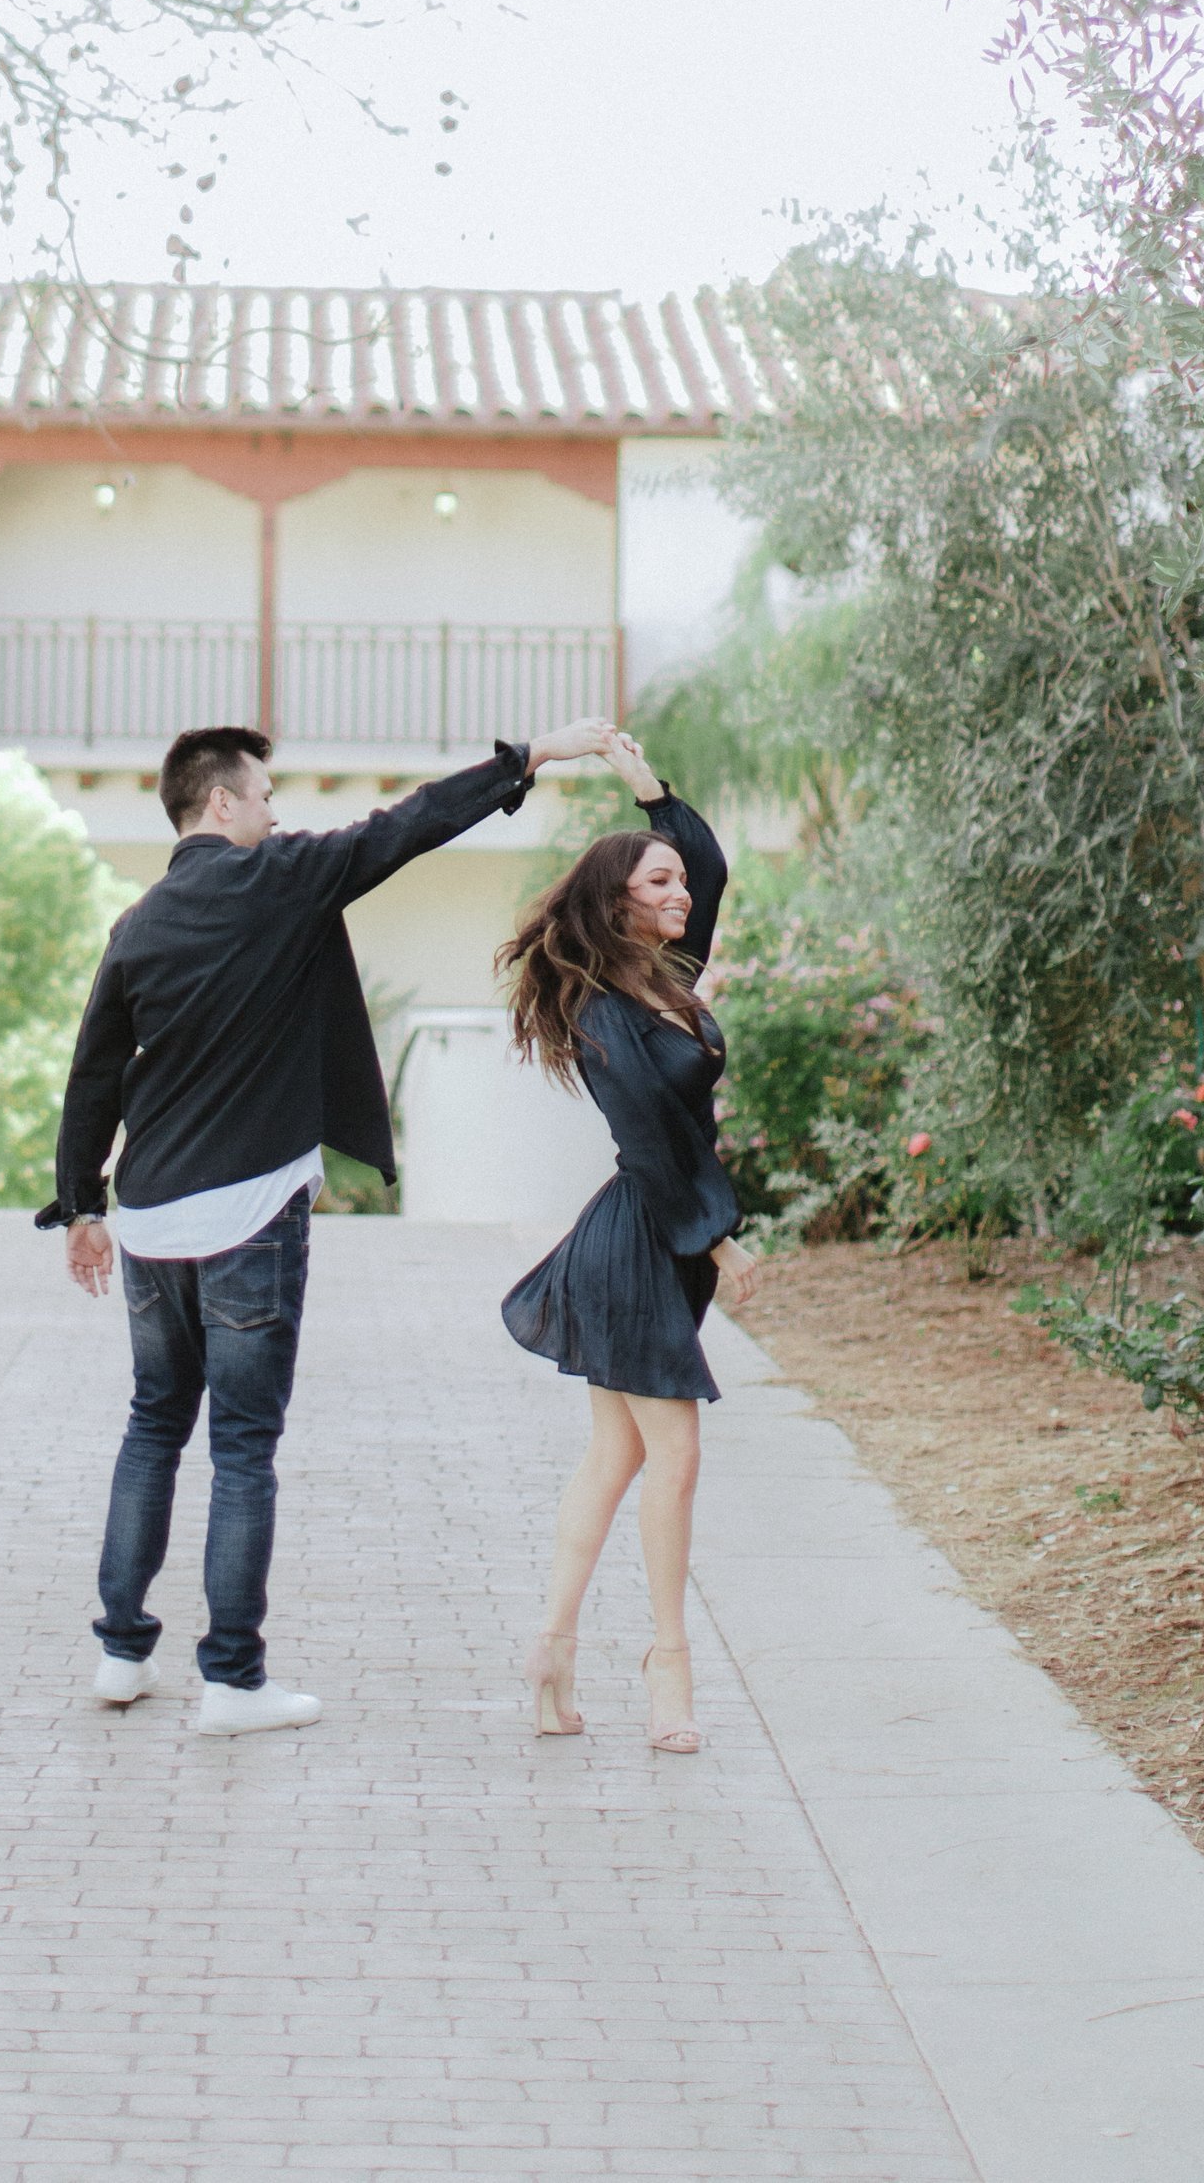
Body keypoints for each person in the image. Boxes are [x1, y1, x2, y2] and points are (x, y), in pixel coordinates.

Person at [46, 711, 617, 1736]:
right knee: (243, 1447)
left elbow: (93, 1074)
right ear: (220, 801)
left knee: (151, 1428)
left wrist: (84, 1206)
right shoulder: (282, 879)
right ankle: (230, 1680)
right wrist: (526, 756)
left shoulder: (135, 925)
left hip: (149, 1222)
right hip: (248, 1218)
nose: (274, 811)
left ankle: (120, 1654)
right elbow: (404, 827)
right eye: (263, 794)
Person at [496, 725, 759, 1753]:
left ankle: (552, 1650)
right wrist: (720, 1241)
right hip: (642, 1238)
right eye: (659, 881)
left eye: (678, 882)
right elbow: (653, 1138)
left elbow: (713, 865)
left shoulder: (659, 977)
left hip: (648, 1238)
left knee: (612, 1458)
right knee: (674, 1457)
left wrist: (648, 790)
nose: (681, 890)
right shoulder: (607, 1006)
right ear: (618, 902)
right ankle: (667, 1668)